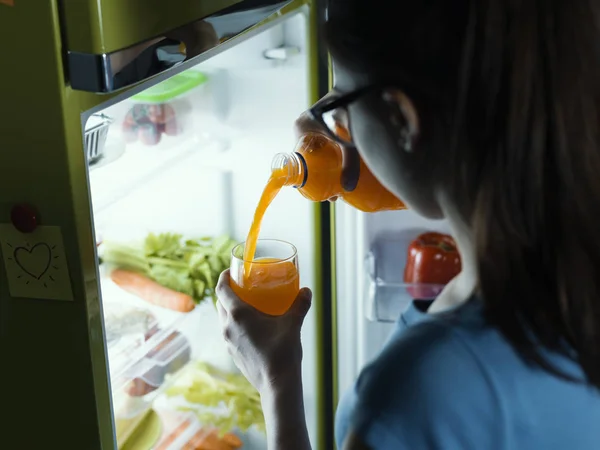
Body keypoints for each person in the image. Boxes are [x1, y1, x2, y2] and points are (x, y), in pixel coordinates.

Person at [215, 0, 600, 448]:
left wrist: (276, 379)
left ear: (402, 117)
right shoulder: (571, 273)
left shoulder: (419, 393)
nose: (340, 129)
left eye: (339, 108)